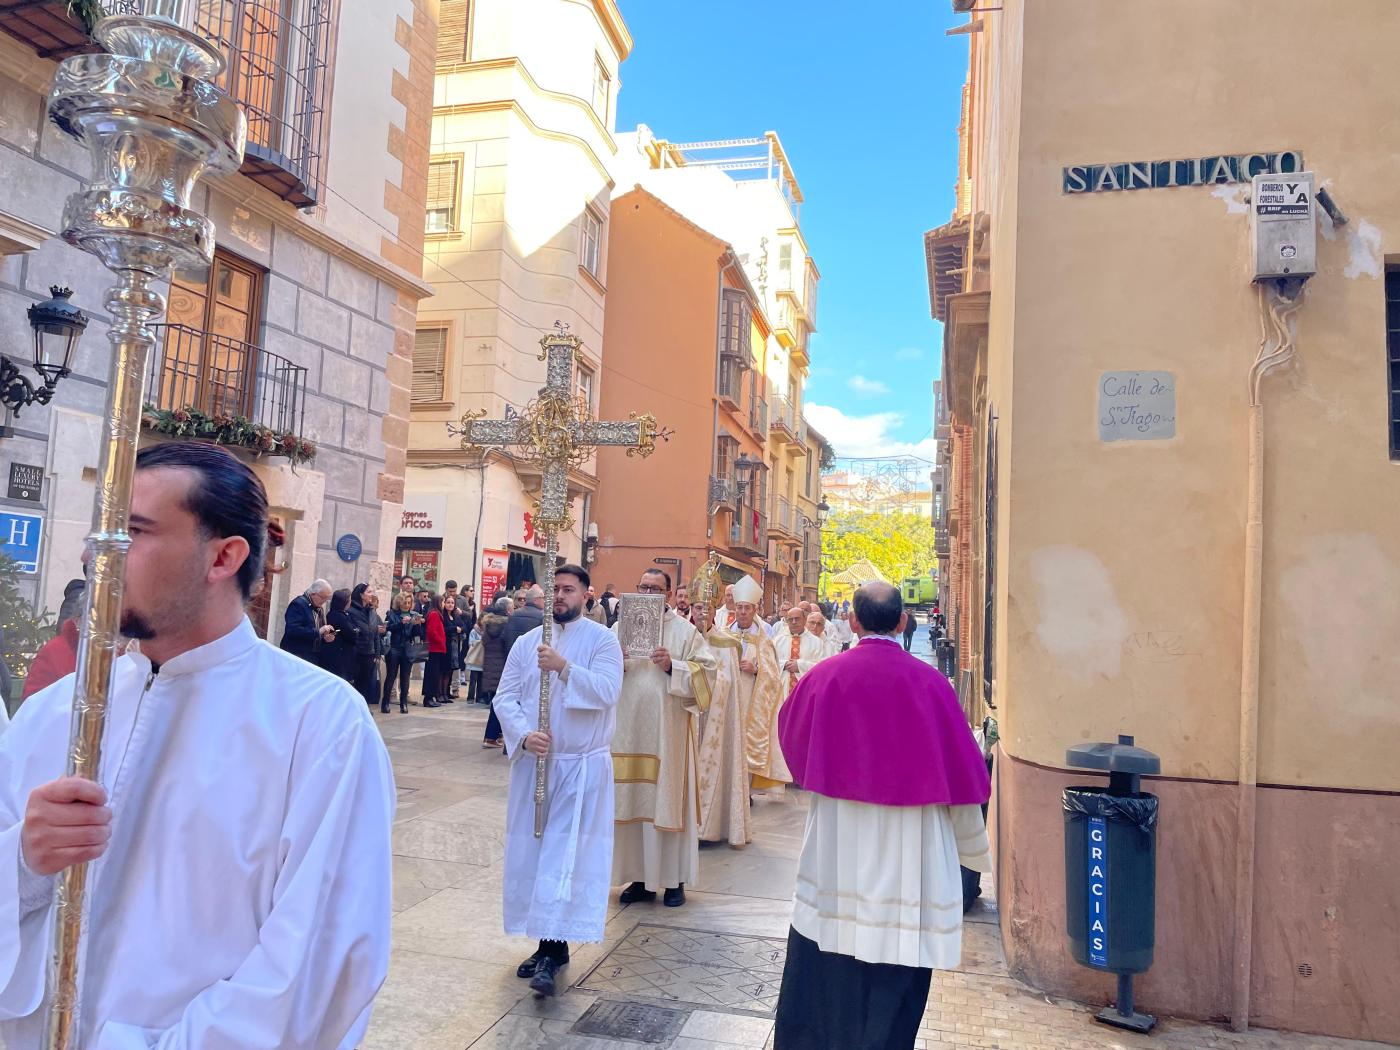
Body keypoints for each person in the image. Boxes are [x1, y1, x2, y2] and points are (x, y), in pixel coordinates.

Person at [0, 441, 394, 1047]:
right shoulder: (55, 712)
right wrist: (27, 858)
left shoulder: (318, 724)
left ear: (223, 557)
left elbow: (318, 964)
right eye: (99, 531)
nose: (95, 553)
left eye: (132, 530)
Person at [772, 582, 991, 1050]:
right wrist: (971, 847)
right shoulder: (932, 685)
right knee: (897, 963)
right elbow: (965, 771)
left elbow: (790, 738)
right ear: (902, 621)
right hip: (909, 848)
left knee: (829, 958)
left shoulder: (824, 677)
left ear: (853, 621)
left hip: (838, 838)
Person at [492, 564, 624, 997]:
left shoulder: (603, 641)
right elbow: (505, 696)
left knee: (564, 855)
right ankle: (548, 942)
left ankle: (553, 949)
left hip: (580, 767)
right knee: (534, 854)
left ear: (586, 595)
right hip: (537, 763)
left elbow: (608, 691)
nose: (560, 596)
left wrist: (564, 667)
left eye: (569, 589)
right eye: (555, 589)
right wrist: (523, 735)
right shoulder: (527, 642)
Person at [612, 569, 715, 908]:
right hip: (628, 733)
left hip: (667, 736)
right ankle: (640, 879)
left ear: (668, 594)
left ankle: (674, 880)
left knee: (667, 803)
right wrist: (615, 662)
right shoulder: (619, 628)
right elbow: (598, 671)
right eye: (643, 586)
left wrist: (673, 666)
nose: (648, 593)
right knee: (633, 802)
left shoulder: (685, 632)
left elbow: (708, 676)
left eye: (655, 588)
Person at [694, 602, 752, 849]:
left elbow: (730, 683)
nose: (702, 613)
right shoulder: (681, 637)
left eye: (707, 608)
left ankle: (711, 826)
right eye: (698, 607)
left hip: (715, 716)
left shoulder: (728, 644)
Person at [725, 576, 784, 792]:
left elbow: (774, 676)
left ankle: (746, 791)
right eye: (739, 607)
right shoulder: (723, 635)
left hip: (751, 698)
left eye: (747, 608)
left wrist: (756, 670)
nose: (742, 612)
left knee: (746, 742)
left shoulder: (763, 640)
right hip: (728, 696)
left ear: (754, 610)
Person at [478, 597, 511, 745]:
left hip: (490, 667)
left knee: (496, 702)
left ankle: (493, 735)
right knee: (500, 704)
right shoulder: (507, 626)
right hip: (502, 667)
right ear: (507, 609)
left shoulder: (488, 625)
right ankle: (491, 736)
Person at [279, 579, 335, 665]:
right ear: (313, 593)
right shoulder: (298, 604)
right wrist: (318, 631)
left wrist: (325, 638)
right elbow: (293, 630)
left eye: (327, 599)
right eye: (323, 597)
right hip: (296, 655)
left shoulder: (319, 607)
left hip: (312, 657)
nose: (324, 601)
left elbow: (317, 633)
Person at [382, 592, 420, 713]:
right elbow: (387, 628)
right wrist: (401, 623)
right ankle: (385, 702)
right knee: (391, 676)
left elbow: (416, 635)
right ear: (399, 603)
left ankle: (404, 704)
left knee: (405, 677)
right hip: (394, 647)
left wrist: (416, 625)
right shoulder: (392, 614)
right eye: (404, 603)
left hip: (407, 648)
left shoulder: (413, 615)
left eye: (409, 603)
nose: (407, 605)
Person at [348, 583, 379, 708]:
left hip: (369, 652)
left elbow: (375, 632)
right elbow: (356, 631)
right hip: (357, 652)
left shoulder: (371, 611)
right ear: (361, 595)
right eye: (369, 592)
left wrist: (377, 652)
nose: (372, 595)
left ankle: (363, 707)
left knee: (366, 683)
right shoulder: (352, 611)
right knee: (356, 682)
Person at [323, 588, 357, 682]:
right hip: (340, 656)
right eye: (349, 600)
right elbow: (352, 634)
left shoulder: (335, 614)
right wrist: (356, 631)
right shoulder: (339, 616)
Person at [422, 594, 448, 709]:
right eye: (443, 602)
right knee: (432, 674)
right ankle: (428, 698)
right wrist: (440, 640)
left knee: (434, 674)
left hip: (437, 648)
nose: (443, 604)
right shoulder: (434, 614)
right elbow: (432, 631)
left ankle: (431, 697)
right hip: (434, 648)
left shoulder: (436, 614)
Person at [504, 585, 546, 654]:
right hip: (531, 655)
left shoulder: (513, 614)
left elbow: (506, 636)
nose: (544, 600)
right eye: (543, 598)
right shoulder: (542, 616)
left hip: (513, 653)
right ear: (536, 600)